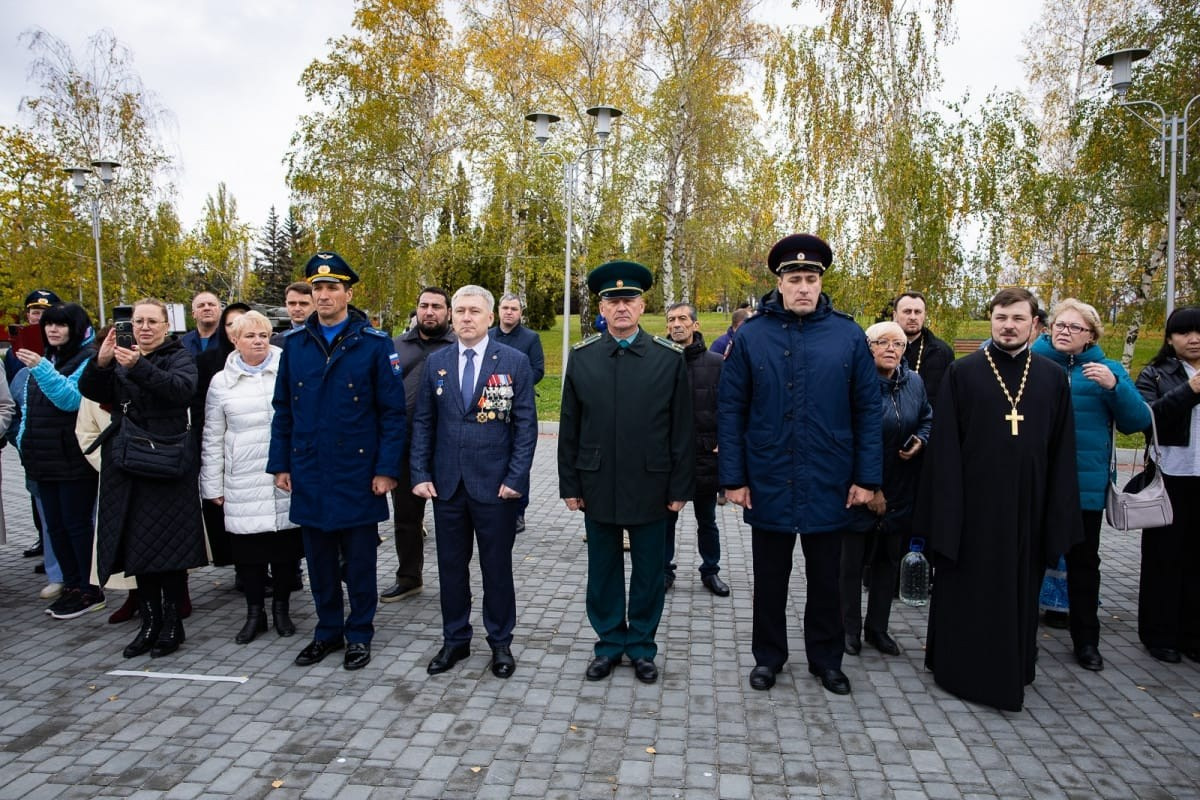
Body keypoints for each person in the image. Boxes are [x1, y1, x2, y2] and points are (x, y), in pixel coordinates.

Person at [718, 233, 881, 696]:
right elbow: (731, 409)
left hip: (831, 480)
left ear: (821, 282)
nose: (804, 287)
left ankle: (826, 660)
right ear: (780, 283)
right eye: (795, 279)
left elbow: (868, 409)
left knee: (826, 580)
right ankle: (768, 658)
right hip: (769, 477)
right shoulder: (751, 336)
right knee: (770, 579)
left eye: (811, 278)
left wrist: (867, 478)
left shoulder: (848, 336)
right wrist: (734, 478)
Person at [915, 287, 1082, 711]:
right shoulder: (964, 372)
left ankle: (1016, 662)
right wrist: (945, 514)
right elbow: (947, 448)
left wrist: (1058, 513)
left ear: (1035, 324)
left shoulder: (1050, 376)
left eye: (1018, 319)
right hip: (972, 509)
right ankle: (958, 666)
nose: (1008, 325)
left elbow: (1062, 449)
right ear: (991, 320)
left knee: (1018, 588)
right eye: (1001, 317)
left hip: (1028, 507)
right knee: (967, 587)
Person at [268, 252, 406, 671]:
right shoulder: (294, 346)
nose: (323, 295)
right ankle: (327, 631)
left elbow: (393, 413)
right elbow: (283, 409)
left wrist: (386, 469)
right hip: (310, 470)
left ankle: (359, 632)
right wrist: (281, 464)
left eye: (332, 287)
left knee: (361, 561)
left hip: (358, 473)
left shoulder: (375, 345)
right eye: (317, 288)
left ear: (348, 293)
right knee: (320, 561)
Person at [559, 260, 694, 685]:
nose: (621, 308)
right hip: (596, 482)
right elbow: (569, 427)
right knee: (603, 572)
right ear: (602, 307)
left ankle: (641, 646)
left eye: (629, 300)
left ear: (642, 306)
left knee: (649, 573)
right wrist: (570, 484)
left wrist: (679, 488)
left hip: (651, 484)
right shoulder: (583, 358)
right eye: (613, 301)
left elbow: (682, 430)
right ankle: (608, 644)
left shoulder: (667, 359)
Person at [411, 285, 537, 678]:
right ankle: (455, 640)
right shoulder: (438, 362)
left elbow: (526, 426)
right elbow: (424, 422)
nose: (466, 317)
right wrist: (420, 473)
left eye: (474, 312)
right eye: (460, 311)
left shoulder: (513, 362)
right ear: (453, 316)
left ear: (489, 317)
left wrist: (516, 478)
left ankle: (500, 643)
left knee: (496, 567)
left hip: (496, 488)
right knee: (450, 567)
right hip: (447, 487)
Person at [79, 298, 207, 659]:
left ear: (167, 326)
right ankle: (148, 622)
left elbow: (179, 390)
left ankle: (171, 623)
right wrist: (102, 362)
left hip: (165, 461)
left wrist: (137, 366)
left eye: (153, 321)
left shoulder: (178, 355)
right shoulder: (120, 356)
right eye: (138, 321)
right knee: (137, 547)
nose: (145, 327)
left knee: (166, 549)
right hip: (126, 460)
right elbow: (93, 391)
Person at [1026, 299, 1149, 671]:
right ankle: (1020, 637)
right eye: (1059, 325)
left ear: (1091, 335)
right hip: (1037, 483)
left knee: (1083, 565)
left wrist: (1115, 388)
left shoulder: (1106, 371)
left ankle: (1086, 641)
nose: (1064, 332)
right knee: (1030, 562)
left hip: (1084, 486)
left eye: (1074, 328)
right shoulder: (1031, 364)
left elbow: (1137, 420)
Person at [202, 311, 304, 644]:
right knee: (249, 552)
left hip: (284, 475)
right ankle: (254, 613)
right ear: (235, 340)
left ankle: (282, 610)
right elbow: (213, 435)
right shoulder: (221, 381)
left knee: (286, 549)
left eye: (263, 334)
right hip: (243, 478)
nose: (258, 341)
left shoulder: (288, 368)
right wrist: (212, 485)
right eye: (250, 336)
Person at [840, 321, 932, 657]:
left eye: (899, 344)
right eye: (883, 342)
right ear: (868, 346)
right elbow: (848, 438)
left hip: (901, 488)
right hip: (858, 489)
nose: (891, 349)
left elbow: (927, 416)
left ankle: (877, 628)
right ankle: (847, 628)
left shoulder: (914, 382)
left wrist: (921, 439)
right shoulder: (854, 384)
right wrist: (871, 486)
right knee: (850, 564)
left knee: (887, 562)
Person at [14, 303, 104, 619]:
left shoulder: (87, 360)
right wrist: (25, 444)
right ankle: (71, 584)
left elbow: (69, 400)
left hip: (72, 460)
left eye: (61, 325)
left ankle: (89, 589)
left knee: (76, 526)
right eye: (49, 325)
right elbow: (27, 408)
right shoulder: (46, 360)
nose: (53, 330)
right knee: (55, 528)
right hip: (43, 460)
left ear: (76, 328)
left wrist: (41, 368)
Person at [1134, 306, 1200, 664]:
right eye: (1185, 333)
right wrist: (1189, 390)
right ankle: (1160, 635)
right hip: (1170, 477)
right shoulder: (1157, 374)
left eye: (1199, 332)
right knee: (1164, 559)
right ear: (1171, 339)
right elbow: (1146, 419)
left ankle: (1193, 634)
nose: (1194, 339)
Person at [380, 287, 455, 603]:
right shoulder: (396, 346)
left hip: (449, 449)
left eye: (437, 306)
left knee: (452, 521)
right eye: (424, 305)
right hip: (407, 448)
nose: (429, 312)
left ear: (447, 312)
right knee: (407, 520)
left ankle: (455, 582)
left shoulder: (460, 345)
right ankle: (409, 577)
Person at [662, 302, 728, 596]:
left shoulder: (716, 363)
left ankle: (710, 570)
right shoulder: (658, 361)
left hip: (705, 454)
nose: (677, 324)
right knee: (666, 520)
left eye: (683, 319)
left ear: (695, 325)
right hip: (668, 458)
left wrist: (723, 443)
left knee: (707, 519)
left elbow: (729, 408)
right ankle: (663, 571)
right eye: (671, 319)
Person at [194, 302, 251, 569]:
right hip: (225, 449)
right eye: (230, 324)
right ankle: (240, 567)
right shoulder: (208, 363)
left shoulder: (273, 360)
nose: (236, 328)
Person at [7, 288, 61, 565]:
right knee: (34, 492)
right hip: (27, 434)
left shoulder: (60, 349)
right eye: (34, 312)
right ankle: (44, 540)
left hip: (58, 440)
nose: (38, 317)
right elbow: (9, 399)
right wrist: (17, 433)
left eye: (44, 313)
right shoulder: (14, 354)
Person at [491, 292, 545, 534]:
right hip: (490, 404)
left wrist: (513, 384)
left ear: (520, 313)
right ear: (498, 311)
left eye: (514, 308)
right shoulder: (488, 335)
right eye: (505, 308)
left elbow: (538, 369)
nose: (509, 312)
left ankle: (518, 511)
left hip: (519, 405)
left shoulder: (530, 338)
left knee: (519, 457)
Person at [894, 292, 954, 410]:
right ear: (895, 315)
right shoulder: (879, 348)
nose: (912, 317)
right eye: (907, 311)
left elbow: (949, 398)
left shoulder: (941, 352)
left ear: (924, 315)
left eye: (918, 312)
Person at [271, 282, 314, 346]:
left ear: (315, 305)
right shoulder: (275, 342)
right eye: (292, 303)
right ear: (286, 304)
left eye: (303, 304)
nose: (297, 309)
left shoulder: (328, 340)